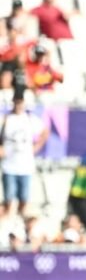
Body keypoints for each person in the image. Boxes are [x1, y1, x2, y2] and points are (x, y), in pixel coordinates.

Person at [1, 89, 48, 217]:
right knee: (9, 199)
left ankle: (20, 221)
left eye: (20, 102)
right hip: (9, 165)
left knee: (24, 199)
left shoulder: (30, 119)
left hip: (25, 166)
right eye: (16, 102)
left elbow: (45, 131)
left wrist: (37, 146)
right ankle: (9, 220)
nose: (18, 105)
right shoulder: (6, 119)